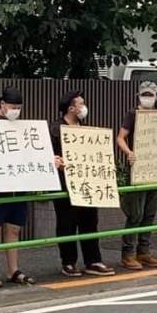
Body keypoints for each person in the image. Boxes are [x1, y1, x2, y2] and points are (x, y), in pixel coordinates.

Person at [50, 90, 115, 277]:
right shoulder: (56, 129)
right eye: (81, 104)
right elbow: (47, 153)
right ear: (71, 108)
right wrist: (55, 160)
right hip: (64, 184)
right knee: (66, 223)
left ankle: (93, 260)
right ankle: (68, 262)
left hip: (87, 181)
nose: (84, 107)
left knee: (90, 221)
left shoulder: (84, 129)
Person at [0, 86, 39, 288]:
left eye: (19, 107)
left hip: (18, 181)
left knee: (14, 228)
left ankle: (13, 269)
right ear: (2, 104)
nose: (16, 111)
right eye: (13, 106)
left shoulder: (22, 127)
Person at [116, 81, 157, 271]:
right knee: (135, 212)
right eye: (144, 95)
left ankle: (143, 251)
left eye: (150, 95)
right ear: (138, 96)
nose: (147, 98)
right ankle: (127, 254)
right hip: (138, 168)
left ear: (156, 97)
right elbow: (120, 137)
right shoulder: (132, 114)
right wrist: (129, 152)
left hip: (156, 167)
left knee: (150, 211)